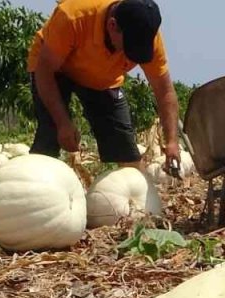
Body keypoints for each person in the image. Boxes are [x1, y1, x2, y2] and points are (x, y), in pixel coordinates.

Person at [27, 0, 181, 171]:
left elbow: (164, 91)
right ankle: (31, 181)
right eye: (128, 48)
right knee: (50, 135)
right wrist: (62, 123)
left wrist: (172, 141)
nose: (129, 56)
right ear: (112, 25)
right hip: (55, 70)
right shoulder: (72, 17)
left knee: (126, 152)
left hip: (103, 79)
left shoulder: (146, 35)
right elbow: (45, 71)